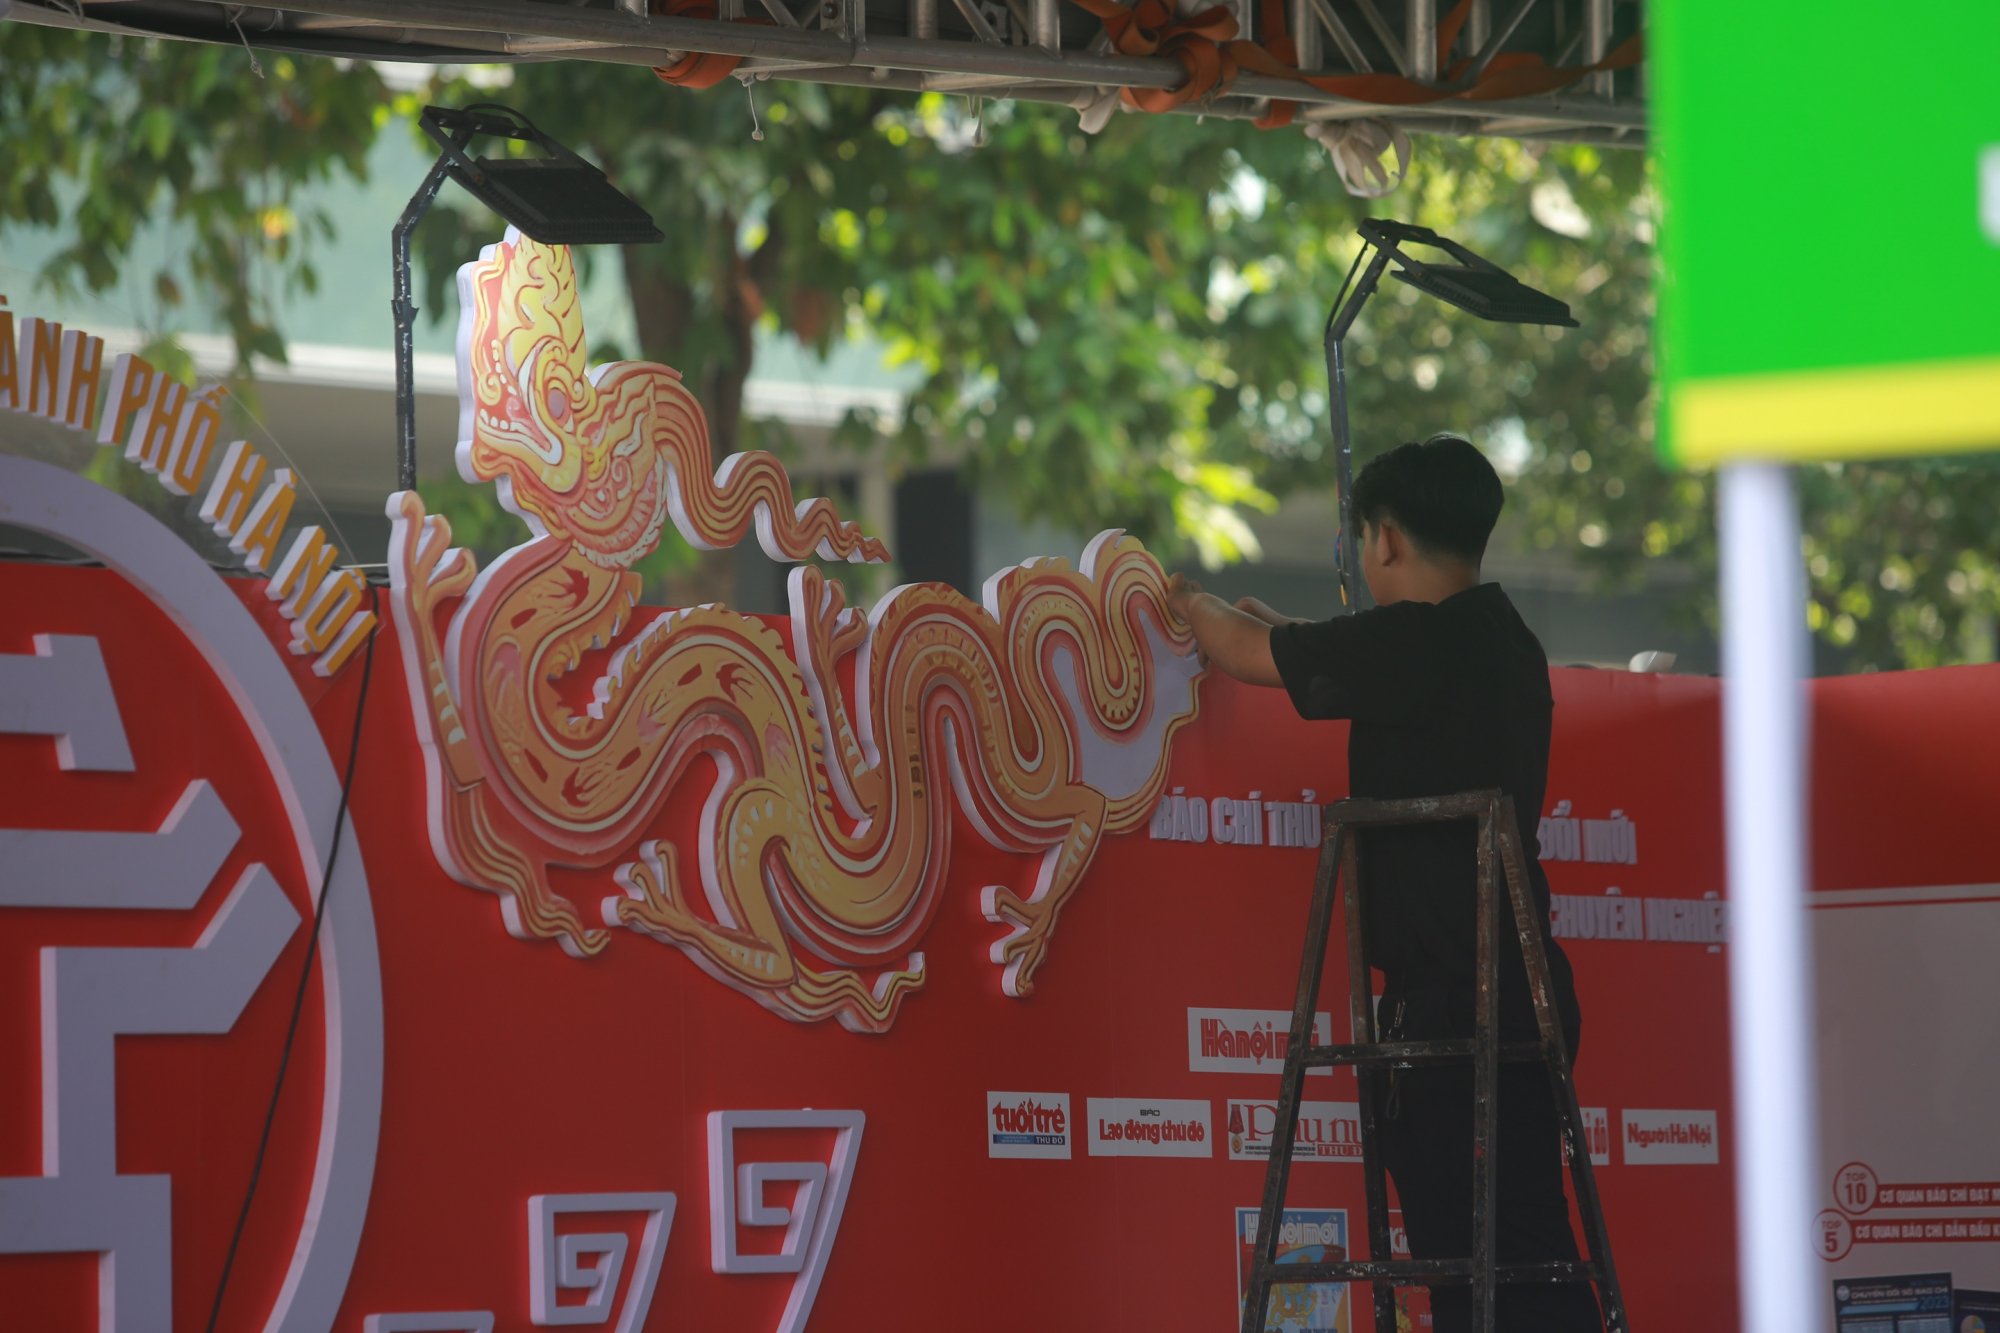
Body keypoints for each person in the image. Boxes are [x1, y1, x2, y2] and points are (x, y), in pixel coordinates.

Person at [1165, 434, 1602, 1333]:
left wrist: (1181, 600)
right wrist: (1284, 636)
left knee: (1464, 1259)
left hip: (1451, 1010)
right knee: (1525, 1242)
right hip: (1523, 995)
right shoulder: (1503, 640)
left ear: (1385, 541)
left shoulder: (1416, 640)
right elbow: (1306, 649)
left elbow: (1243, 650)